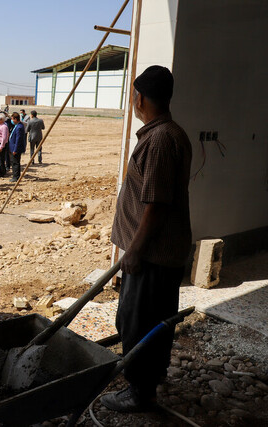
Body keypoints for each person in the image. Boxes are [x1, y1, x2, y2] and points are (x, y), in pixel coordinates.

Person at [100, 66, 192, 412]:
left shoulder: (159, 140)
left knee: (138, 322)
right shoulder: (166, 134)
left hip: (152, 256)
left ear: (139, 98)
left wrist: (135, 251)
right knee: (142, 320)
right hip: (154, 253)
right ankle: (148, 379)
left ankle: (141, 392)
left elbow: (156, 205)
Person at [8, 112, 26, 182]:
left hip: (15, 149)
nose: (11, 121)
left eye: (12, 119)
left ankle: (16, 177)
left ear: (15, 119)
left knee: (15, 163)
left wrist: (15, 150)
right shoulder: (17, 125)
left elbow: (18, 140)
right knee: (13, 162)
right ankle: (15, 175)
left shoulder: (19, 127)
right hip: (12, 147)